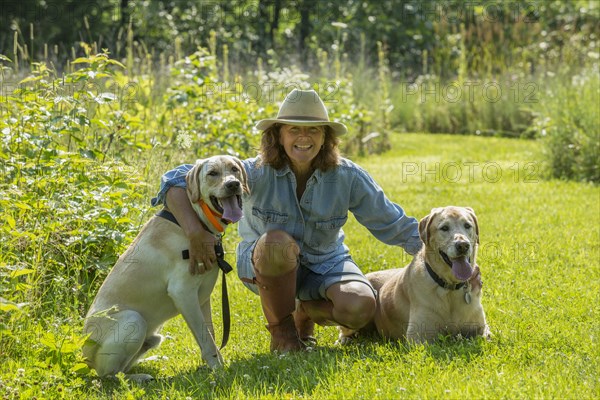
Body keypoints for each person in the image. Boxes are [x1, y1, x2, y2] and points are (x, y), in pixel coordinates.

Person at [151, 89, 422, 352]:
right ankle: (282, 332)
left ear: (326, 137)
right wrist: (195, 232)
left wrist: (447, 257)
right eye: (294, 129)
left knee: (360, 306)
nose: (304, 137)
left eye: (313, 130)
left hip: (326, 262)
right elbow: (173, 181)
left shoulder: (348, 176)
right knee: (276, 243)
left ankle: (303, 311)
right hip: (268, 264)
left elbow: (394, 223)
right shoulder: (251, 171)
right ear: (278, 136)